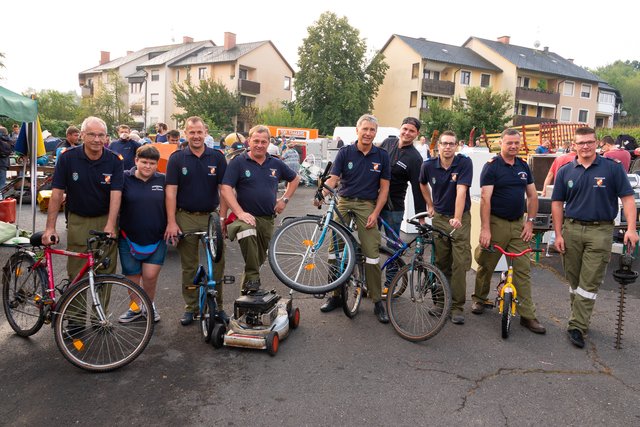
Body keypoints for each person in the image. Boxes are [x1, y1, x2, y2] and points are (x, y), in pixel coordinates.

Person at [551, 127, 639, 348]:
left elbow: (628, 199)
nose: (585, 146)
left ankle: (577, 326)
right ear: (574, 145)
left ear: (597, 143)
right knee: (574, 281)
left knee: (589, 281)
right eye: (581, 143)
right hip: (571, 230)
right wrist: (558, 234)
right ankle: (580, 319)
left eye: (589, 142)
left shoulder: (612, 169)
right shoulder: (565, 171)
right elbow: (557, 204)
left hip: (600, 231)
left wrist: (630, 228)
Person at [315, 114, 391, 323]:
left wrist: (375, 213)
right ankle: (336, 295)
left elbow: (384, 189)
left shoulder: (382, 156)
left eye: (372, 130)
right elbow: (334, 178)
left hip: (367, 204)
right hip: (344, 201)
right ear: (357, 131)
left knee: (371, 253)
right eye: (364, 129)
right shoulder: (345, 152)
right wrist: (324, 194)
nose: (368, 133)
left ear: (376, 133)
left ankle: (377, 301)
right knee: (334, 251)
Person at [472, 128, 546, 334]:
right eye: (509, 143)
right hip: (496, 223)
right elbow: (486, 198)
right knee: (487, 263)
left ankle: (527, 315)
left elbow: (532, 196)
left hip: (518, 225)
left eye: (516, 143)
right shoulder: (492, 167)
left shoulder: (523, 166)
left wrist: (530, 222)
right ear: (501, 144)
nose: (513, 146)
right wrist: (485, 229)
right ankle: (479, 299)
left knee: (523, 269)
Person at [164, 116, 228, 326]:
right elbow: (171, 193)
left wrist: (222, 218)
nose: (196, 136)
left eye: (199, 132)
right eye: (191, 132)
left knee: (217, 263)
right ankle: (191, 307)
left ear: (205, 133)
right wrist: (172, 222)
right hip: (186, 217)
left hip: (210, 217)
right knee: (189, 266)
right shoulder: (176, 159)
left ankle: (217, 306)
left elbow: (225, 190)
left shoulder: (217, 157)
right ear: (185, 134)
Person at [220, 125, 300, 293]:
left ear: (268, 143)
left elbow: (295, 179)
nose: (259, 145)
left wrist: (284, 199)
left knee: (257, 260)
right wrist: (239, 212)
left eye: (263, 142)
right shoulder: (239, 162)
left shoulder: (276, 163)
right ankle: (253, 283)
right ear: (249, 141)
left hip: (267, 220)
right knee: (247, 233)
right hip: (243, 219)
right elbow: (226, 188)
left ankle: (248, 292)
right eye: (256, 141)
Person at [42, 116, 123, 280]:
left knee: (105, 273)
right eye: (92, 134)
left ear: (107, 137)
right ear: (82, 135)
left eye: (101, 135)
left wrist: (111, 224)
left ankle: (101, 308)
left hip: (105, 219)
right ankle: (72, 307)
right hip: (78, 220)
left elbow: (116, 194)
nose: (97, 139)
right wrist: (50, 227)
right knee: (77, 274)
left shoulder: (115, 160)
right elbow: (57, 193)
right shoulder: (67, 157)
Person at [419, 130, 473, 325]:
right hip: (440, 218)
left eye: (451, 143)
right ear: (438, 146)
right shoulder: (428, 165)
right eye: (444, 143)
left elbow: (461, 191)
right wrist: (430, 205)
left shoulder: (464, 163)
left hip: (460, 219)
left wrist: (457, 218)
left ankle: (457, 307)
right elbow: (422, 184)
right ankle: (440, 303)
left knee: (459, 264)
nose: (448, 147)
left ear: (456, 146)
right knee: (441, 262)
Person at [118, 145, 167, 323]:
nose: (147, 166)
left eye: (152, 163)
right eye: (144, 162)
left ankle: (149, 304)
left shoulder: (163, 180)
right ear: (136, 161)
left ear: (157, 165)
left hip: (157, 237)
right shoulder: (124, 178)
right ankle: (135, 308)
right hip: (128, 236)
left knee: (150, 276)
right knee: (131, 276)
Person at [378, 116, 426, 292]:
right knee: (369, 244)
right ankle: (369, 282)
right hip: (374, 203)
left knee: (392, 247)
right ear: (400, 128)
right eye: (405, 128)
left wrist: (421, 218)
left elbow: (418, 188)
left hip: (393, 207)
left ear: (416, 134)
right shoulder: (387, 143)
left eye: (411, 131)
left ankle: (389, 283)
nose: (407, 133)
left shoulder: (415, 158)